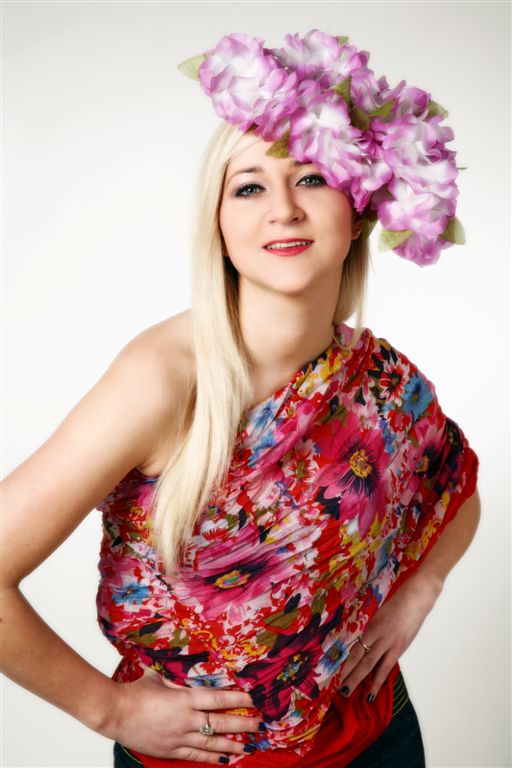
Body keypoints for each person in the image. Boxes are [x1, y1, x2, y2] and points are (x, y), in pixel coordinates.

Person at [1, 29, 480, 768]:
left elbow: (455, 489)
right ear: (220, 226)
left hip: (380, 738)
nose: (283, 209)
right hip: (206, 758)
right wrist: (110, 709)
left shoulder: (378, 378)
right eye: (249, 186)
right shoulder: (165, 379)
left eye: (312, 178)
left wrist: (422, 589)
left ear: (357, 211)